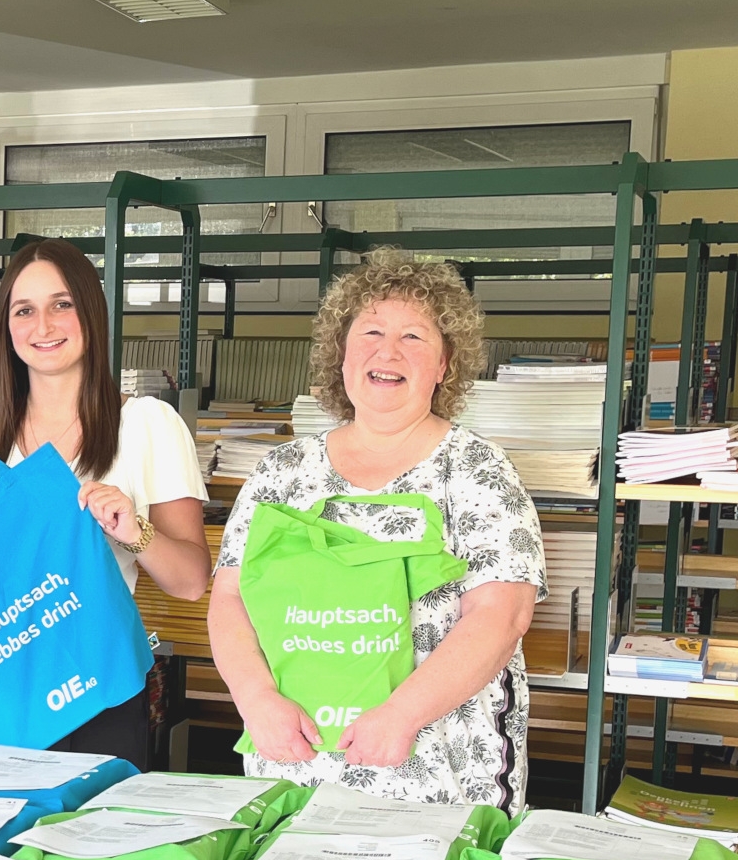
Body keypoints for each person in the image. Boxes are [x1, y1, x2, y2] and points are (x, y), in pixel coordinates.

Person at [207, 248, 544, 810]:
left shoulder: (476, 469)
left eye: (415, 337)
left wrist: (403, 714)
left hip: (438, 767)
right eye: (370, 332)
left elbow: (503, 615)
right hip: (294, 762)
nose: (388, 351)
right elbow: (230, 597)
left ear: (444, 366)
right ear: (340, 353)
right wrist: (255, 697)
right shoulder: (283, 472)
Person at [0, 238, 209, 767]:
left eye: (63, 304)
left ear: (91, 311)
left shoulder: (148, 425)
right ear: (7, 327)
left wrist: (133, 531)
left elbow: (191, 581)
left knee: (84, 843)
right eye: (25, 310)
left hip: (95, 685)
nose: (44, 326)